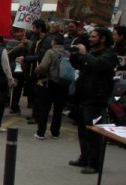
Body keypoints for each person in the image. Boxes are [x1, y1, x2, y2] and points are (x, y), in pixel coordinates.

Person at [68, 27, 119, 174]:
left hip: (97, 98)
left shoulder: (109, 55)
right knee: (83, 131)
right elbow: (80, 65)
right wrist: (75, 55)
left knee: (93, 133)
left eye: (94, 37)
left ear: (103, 39)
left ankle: (94, 163)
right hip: (84, 96)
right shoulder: (92, 53)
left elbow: (97, 64)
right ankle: (84, 157)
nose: (90, 39)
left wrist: (84, 53)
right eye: (90, 36)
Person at [16, 19, 53, 125]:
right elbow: (32, 51)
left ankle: (38, 116)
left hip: (41, 71)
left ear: (40, 28)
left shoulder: (47, 40)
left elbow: (41, 56)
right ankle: (35, 114)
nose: (32, 30)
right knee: (33, 93)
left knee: (39, 95)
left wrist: (26, 59)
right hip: (32, 70)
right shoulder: (34, 38)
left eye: (34, 28)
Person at [33, 34, 70, 140]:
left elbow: (43, 66)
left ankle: (41, 132)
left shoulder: (50, 52)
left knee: (45, 108)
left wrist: (37, 70)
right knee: (58, 109)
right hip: (63, 84)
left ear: (54, 42)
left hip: (50, 82)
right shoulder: (67, 53)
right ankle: (55, 132)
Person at [7, 27, 31, 115]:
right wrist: (18, 47)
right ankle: (13, 106)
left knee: (19, 89)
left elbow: (32, 53)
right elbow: (8, 54)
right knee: (14, 88)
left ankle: (15, 105)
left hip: (24, 69)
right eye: (18, 32)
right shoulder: (11, 42)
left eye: (22, 32)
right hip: (14, 68)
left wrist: (27, 44)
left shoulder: (28, 42)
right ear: (15, 33)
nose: (20, 34)